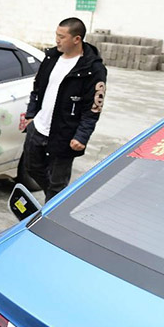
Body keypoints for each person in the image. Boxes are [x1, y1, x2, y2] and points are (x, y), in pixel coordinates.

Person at [22, 17, 107, 202]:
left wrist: (82, 136)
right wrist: (31, 115)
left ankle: (51, 210)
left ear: (77, 39)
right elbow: (37, 89)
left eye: (62, 37)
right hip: (38, 127)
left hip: (65, 134)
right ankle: (58, 201)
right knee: (31, 168)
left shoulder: (93, 69)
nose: (57, 40)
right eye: (56, 35)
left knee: (57, 183)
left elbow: (93, 107)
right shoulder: (51, 58)